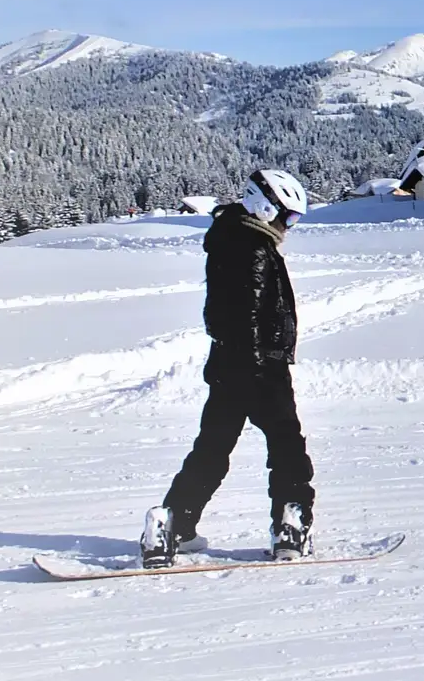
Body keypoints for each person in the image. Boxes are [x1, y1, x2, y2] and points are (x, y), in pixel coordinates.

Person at [142, 169, 315, 567]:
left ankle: (170, 525)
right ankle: (291, 526)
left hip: (226, 363)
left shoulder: (229, 238)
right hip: (259, 366)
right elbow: (251, 313)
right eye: (288, 218)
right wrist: (260, 366)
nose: (289, 227)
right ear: (265, 206)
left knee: (212, 447)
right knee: (288, 447)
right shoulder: (254, 247)